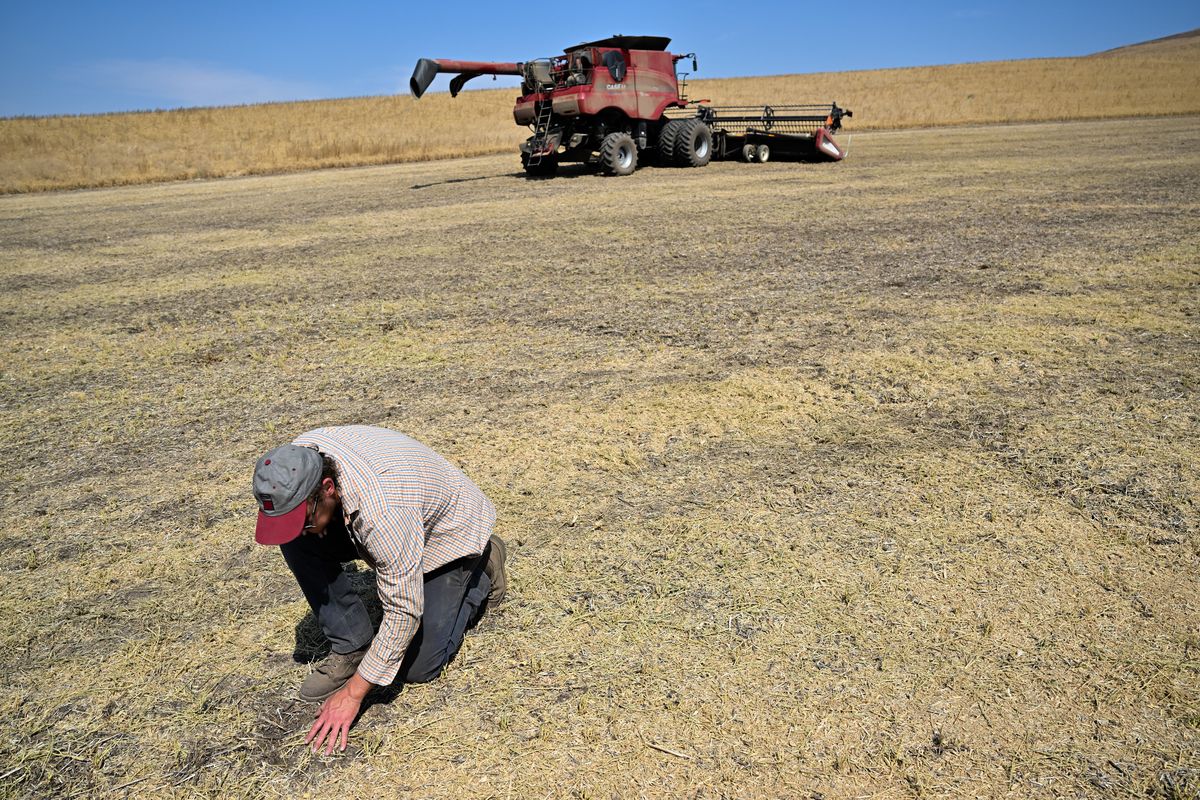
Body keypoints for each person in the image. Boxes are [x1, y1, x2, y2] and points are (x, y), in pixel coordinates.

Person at [252, 425, 507, 755]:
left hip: (449, 534)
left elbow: (404, 610)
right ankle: (351, 646)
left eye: (305, 520)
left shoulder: (384, 510)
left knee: (419, 667)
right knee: (295, 539)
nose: (301, 530)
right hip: (392, 511)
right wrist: (300, 525)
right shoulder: (295, 466)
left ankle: (483, 564)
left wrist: (353, 693)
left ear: (327, 487)